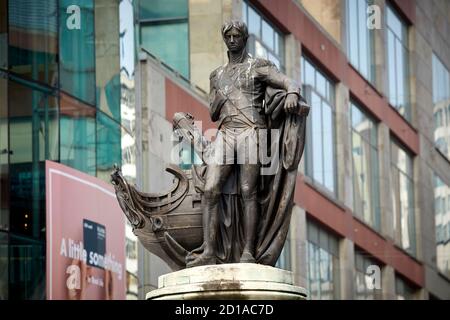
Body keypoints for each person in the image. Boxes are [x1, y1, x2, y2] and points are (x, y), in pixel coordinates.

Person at [187, 20, 303, 267]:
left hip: (252, 131)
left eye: (236, 35)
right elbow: (213, 115)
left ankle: (248, 251)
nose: (232, 40)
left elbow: (289, 82)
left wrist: (292, 94)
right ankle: (208, 251)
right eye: (228, 36)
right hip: (227, 133)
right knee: (210, 188)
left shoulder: (257, 66)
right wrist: (219, 98)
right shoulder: (216, 75)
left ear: (244, 38)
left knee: (249, 191)